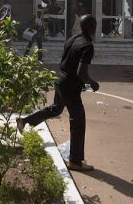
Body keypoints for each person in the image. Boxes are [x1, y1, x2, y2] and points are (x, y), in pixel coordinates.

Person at [17, 15, 100, 172]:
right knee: (78, 121)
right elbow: (81, 72)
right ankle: (75, 161)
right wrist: (92, 83)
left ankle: (25, 121)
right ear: (91, 27)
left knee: (56, 109)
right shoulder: (87, 45)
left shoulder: (73, 39)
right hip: (70, 85)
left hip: (60, 79)